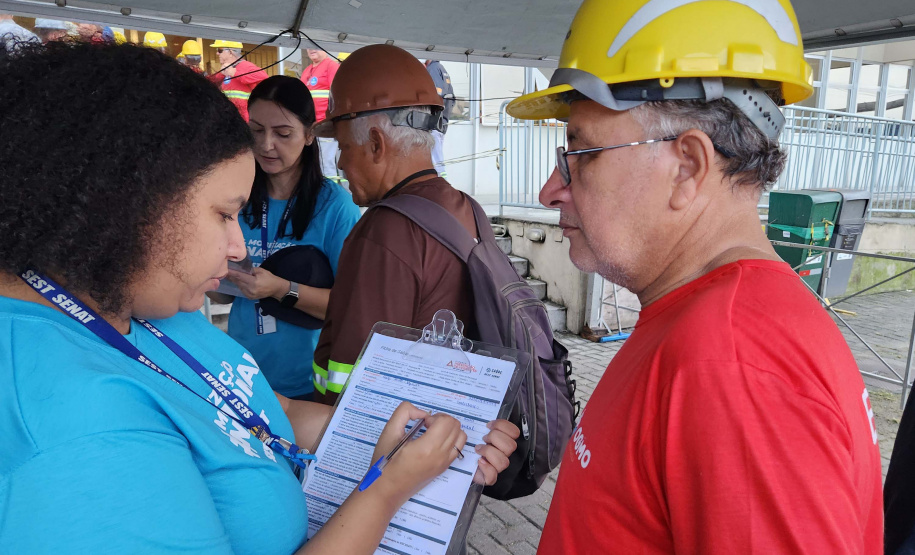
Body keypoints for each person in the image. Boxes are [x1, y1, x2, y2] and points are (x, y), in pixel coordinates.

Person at [0, 41, 518, 553]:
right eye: (224, 214)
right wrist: (386, 487)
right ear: (128, 202)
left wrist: (425, 438)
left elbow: (263, 410)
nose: (238, 247)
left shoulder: (142, 304)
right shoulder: (72, 435)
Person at [506, 0, 883, 552]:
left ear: (687, 166)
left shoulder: (733, 363)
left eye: (581, 153)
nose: (550, 189)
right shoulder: (708, 323)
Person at [309, 44, 481, 404]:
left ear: (375, 144)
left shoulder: (383, 232)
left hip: (388, 449)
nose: (340, 163)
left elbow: (350, 383)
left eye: (342, 146)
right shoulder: (468, 209)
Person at [212, 75, 360, 401]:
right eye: (255, 130)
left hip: (311, 386)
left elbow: (351, 307)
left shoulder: (335, 207)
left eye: (282, 133)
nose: (266, 145)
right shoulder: (237, 198)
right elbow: (223, 298)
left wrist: (280, 289)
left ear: (309, 135)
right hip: (245, 378)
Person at [299, 47, 342, 184]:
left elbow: (337, 95)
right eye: (308, 47)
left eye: (315, 47)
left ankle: (329, 195)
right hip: (311, 125)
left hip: (325, 125)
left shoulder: (331, 66)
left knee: (326, 164)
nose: (311, 50)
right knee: (314, 162)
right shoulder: (308, 70)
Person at [212, 39, 268, 121]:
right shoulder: (227, 70)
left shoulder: (245, 66)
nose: (217, 53)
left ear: (230, 53)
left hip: (244, 122)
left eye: (220, 50)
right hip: (231, 119)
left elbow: (264, 77)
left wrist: (234, 73)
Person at [424, 60, 455, 177]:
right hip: (442, 122)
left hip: (434, 122)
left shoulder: (432, 69)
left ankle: (440, 182)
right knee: (438, 157)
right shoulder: (442, 69)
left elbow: (436, 95)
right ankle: (442, 180)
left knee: (434, 159)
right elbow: (452, 99)